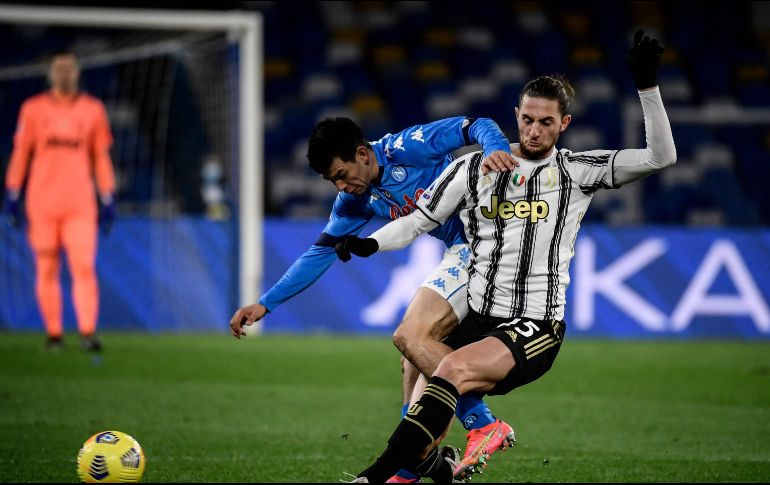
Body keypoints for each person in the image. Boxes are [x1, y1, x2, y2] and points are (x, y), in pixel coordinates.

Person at [336, 30, 676, 482]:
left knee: (449, 368)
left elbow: (659, 157)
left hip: (534, 326)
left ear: (564, 124)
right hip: (479, 318)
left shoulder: (576, 172)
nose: (534, 131)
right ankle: (418, 472)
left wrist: (647, 86)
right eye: (528, 119)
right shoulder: (474, 167)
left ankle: (374, 477)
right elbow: (418, 220)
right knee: (415, 366)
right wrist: (370, 243)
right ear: (516, 115)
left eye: (546, 123)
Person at [229, 115, 520, 482]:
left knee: (411, 337)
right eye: (332, 180)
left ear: (362, 154)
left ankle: (482, 423)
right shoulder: (354, 200)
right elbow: (319, 253)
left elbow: (475, 125)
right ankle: (413, 465)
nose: (340, 185)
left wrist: (494, 150)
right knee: (413, 358)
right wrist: (266, 303)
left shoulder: (408, 147)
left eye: (341, 173)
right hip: (461, 252)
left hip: (489, 247)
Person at [2, 51, 116, 352]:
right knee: (46, 267)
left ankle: (87, 332)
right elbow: (21, 153)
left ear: (77, 72)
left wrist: (108, 195)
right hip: (42, 203)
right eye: (59, 68)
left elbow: (100, 156)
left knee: (84, 267)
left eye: (69, 67)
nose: (64, 72)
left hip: (80, 204)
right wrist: (12, 192)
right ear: (50, 73)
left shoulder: (93, 109)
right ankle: (54, 335)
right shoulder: (32, 109)